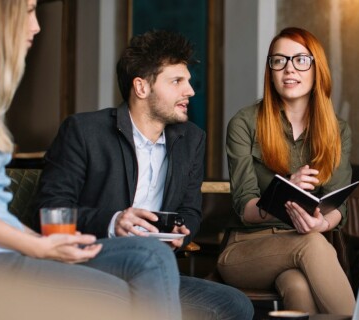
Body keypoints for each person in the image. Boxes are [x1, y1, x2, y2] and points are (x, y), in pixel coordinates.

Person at [0, 0, 182, 319]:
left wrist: (43, 242)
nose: (37, 26)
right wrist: (37, 247)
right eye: (28, 11)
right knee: (127, 284)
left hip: (4, 250)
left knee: (150, 254)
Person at [33, 30, 253, 319]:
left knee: (235, 304)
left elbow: (190, 211)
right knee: (150, 256)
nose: (190, 91)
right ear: (141, 87)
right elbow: (49, 209)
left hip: (155, 268)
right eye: (177, 81)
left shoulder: (191, 139)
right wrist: (114, 221)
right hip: (89, 261)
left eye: (188, 81)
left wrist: (181, 232)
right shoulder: (84, 131)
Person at [220, 27, 356, 315]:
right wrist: (285, 192)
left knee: (299, 287)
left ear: (317, 68)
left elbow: (338, 206)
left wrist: (321, 224)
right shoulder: (244, 123)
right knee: (313, 245)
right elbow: (245, 208)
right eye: (279, 60)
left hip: (300, 246)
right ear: (270, 71)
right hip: (246, 248)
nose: (289, 69)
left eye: (300, 60)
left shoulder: (337, 130)